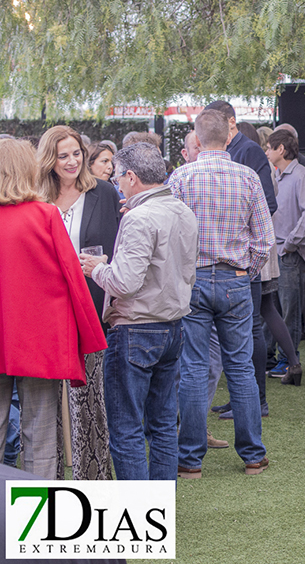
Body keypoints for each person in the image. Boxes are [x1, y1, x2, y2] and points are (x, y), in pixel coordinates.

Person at [80, 143, 198, 480]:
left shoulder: (139, 218)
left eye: (118, 177)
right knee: (161, 425)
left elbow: (125, 283)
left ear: (131, 177)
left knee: (126, 428)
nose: (116, 183)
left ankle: (141, 515)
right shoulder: (182, 211)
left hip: (135, 329)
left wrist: (97, 269)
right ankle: (159, 510)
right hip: (173, 326)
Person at [170, 108, 274, 479]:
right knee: (240, 367)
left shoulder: (181, 177)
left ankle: (190, 460)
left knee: (195, 369)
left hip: (195, 278)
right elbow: (265, 239)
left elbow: (171, 233)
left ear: (197, 140)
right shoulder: (247, 177)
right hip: (234, 279)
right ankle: (252, 456)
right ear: (228, 137)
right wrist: (247, 271)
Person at [0, 138, 106, 480]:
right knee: (40, 432)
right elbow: (72, 277)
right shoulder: (45, 214)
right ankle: (38, 514)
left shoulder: (44, 213)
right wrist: (88, 332)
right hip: (39, 340)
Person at [37, 124, 119, 481]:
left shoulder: (104, 192)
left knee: (89, 396)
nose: (71, 161)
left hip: (91, 303)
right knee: (45, 400)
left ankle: (94, 478)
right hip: (46, 307)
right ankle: (48, 478)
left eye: (76, 154)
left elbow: (117, 249)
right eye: (62, 155)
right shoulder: (36, 198)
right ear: (49, 160)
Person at [264, 129, 305, 386]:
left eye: (269, 148)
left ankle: (290, 360)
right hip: (274, 251)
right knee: (272, 308)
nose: (265, 152)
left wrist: (289, 245)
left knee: (290, 310)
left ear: (281, 149)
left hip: (289, 252)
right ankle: (274, 359)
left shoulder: (302, 176)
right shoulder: (274, 175)